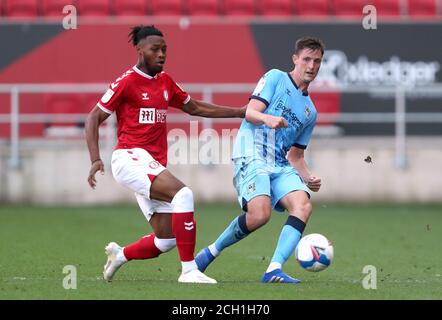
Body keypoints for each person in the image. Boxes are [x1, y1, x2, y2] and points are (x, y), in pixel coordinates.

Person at [85, 25, 245, 284]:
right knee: (184, 194)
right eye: (155, 49)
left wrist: (239, 112)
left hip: (150, 164)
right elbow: (93, 117)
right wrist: (95, 159)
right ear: (139, 50)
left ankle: (120, 255)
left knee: (167, 239)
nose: (161, 54)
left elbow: (195, 107)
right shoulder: (126, 82)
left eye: (164, 50)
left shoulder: (165, 82)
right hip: (129, 158)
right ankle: (189, 270)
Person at [195, 36, 325, 283]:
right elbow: (251, 112)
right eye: (306, 59)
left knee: (303, 205)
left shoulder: (310, 111)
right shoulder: (275, 77)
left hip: (279, 163)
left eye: (317, 61)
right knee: (260, 215)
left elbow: (296, 155)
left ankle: (273, 269)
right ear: (295, 59)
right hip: (251, 152)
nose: (311, 66)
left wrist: (308, 177)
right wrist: (268, 119)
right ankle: (210, 253)